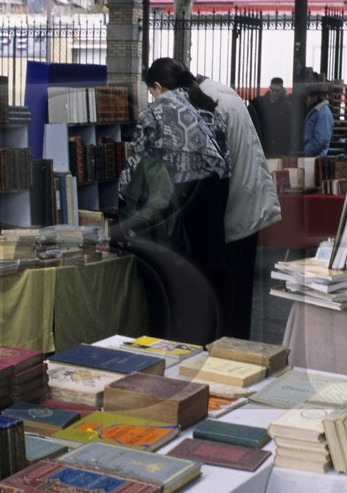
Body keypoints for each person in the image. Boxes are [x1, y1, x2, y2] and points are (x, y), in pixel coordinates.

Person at [116, 57, 232, 302]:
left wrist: (123, 202)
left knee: (173, 281)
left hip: (173, 201)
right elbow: (226, 160)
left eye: (151, 91)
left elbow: (137, 162)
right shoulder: (209, 107)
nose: (152, 96)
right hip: (210, 199)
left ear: (158, 86)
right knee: (208, 276)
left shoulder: (157, 111)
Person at [200, 72, 282, 339]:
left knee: (227, 298)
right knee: (240, 297)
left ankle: (226, 354)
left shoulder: (210, 103)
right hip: (248, 202)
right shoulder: (229, 96)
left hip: (234, 209)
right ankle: (236, 351)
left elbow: (216, 168)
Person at [249, 76, 295, 157]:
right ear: (269, 88)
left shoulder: (286, 107)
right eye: (272, 90)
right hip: (263, 147)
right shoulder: (259, 104)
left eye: (277, 91)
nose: (274, 93)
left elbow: (288, 130)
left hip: (279, 150)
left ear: (281, 90)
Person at [301, 85, 332, 157]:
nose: (306, 101)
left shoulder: (323, 113)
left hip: (317, 157)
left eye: (307, 98)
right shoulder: (316, 112)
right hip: (312, 156)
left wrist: (307, 150)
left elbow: (321, 139)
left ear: (313, 98)